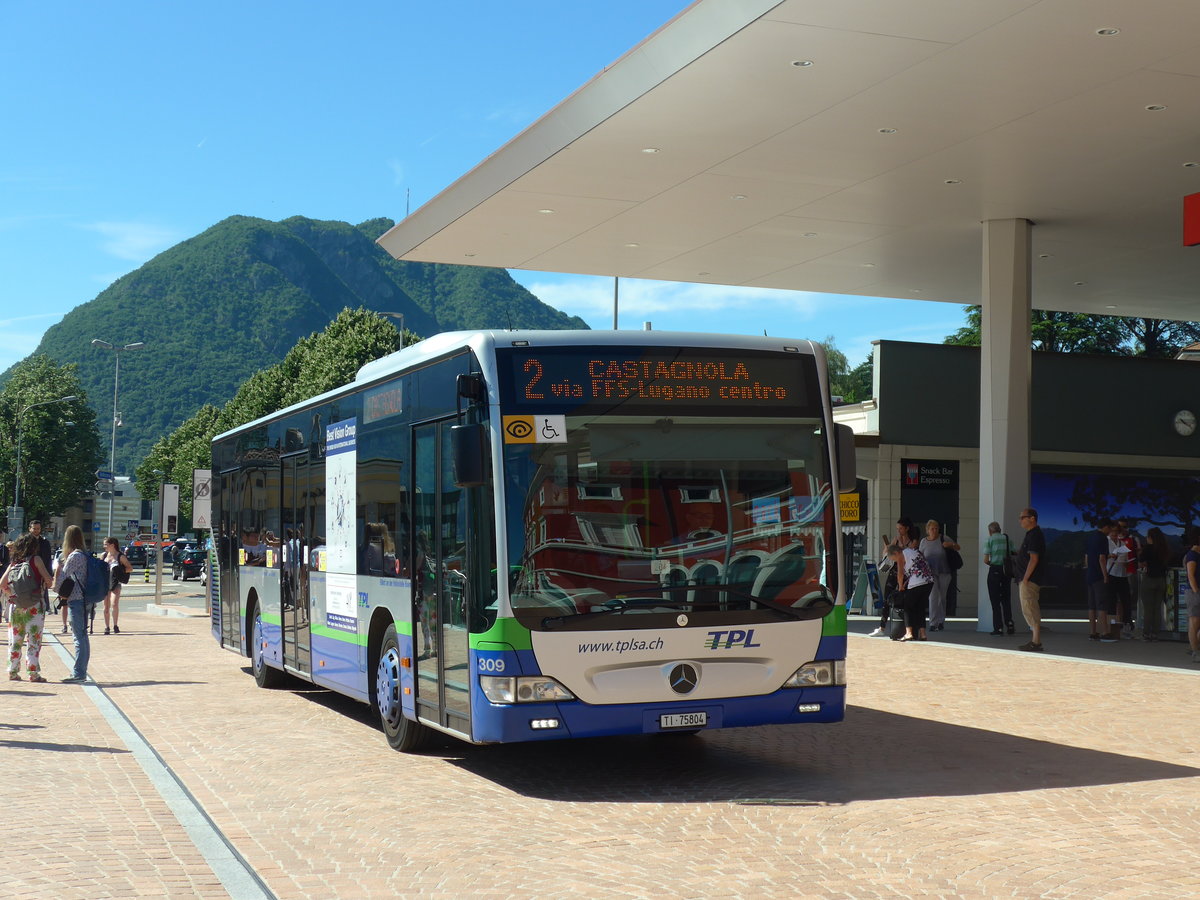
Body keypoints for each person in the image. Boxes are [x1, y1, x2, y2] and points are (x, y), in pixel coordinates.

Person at [1, 533, 54, 682]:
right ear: (33, 546)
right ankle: (33, 673)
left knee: (15, 640)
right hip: (34, 606)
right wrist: (46, 584)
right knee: (34, 640)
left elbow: (2, 584)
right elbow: (48, 580)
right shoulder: (36, 560)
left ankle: (12, 671)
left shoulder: (14, 563)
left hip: (16, 606)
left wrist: (11, 594)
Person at [54, 524, 92, 683]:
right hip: (84, 599)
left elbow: (62, 578)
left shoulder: (74, 556)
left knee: (78, 637)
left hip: (76, 600)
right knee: (82, 636)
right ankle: (81, 671)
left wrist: (57, 572)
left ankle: (79, 673)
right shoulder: (84, 554)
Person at [869, 517, 917, 637]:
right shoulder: (896, 539)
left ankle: (907, 628)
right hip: (894, 572)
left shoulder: (913, 541)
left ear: (907, 528)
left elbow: (908, 554)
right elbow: (887, 553)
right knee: (887, 598)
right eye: (897, 529)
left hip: (906, 573)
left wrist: (900, 544)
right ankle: (882, 627)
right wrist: (889, 546)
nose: (899, 531)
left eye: (901, 528)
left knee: (905, 600)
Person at [886, 540, 934, 642]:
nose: (895, 561)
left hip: (917, 583)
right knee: (920, 607)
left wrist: (900, 587)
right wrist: (906, 583)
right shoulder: (913, 551)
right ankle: (923, 633)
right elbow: (917, 568)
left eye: (893, 559)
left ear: (896, 553)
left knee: (907, 606)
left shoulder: (900, 556)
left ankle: (909, 633)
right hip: (929, 581)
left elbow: (900, 574)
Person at [919, 519, 960, 633]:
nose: (934, 530)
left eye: (936, 528)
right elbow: (920, 556)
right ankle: (933, 622)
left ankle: (941, 620)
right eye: (932, 528)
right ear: (927, 530)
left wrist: (950, 545)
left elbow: (958, 548)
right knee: (933, 597)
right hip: (930, 574)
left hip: (944, 572)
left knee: (942, 597)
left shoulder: (944, 538)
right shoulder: (923, 542)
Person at [1016, 507, 1046, 652]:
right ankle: (1035, 640)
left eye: (1023, 517)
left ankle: (1036, 641)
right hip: (1026, 578)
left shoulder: (1034, 535)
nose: (1020, 520)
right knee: (1028, 608)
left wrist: (1026, 578)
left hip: (1029, 579)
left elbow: (1034, 559)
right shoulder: (1031, 534)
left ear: (1032, 518)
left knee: (1030, 607)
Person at [1084, 519, 1116, 643]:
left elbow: (1087, 557)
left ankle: (1092, 632)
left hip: (1090, 574)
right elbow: (1102, 558)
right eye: (1110, 529)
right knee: (1102, 604)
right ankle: (1105, 632)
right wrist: (1105, 575)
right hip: (1098, 575)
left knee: (1091, 605)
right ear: (1106, 527)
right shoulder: (1103, 539)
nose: (1110, 532)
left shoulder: (1090, 537)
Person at [982, 521, 1015, 635]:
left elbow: (986, 560)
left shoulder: (989, 540)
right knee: (1006, 598)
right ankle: (1010, 624)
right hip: (1006, 571)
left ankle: (998, 628)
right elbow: (1014, 552)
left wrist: (993, 564)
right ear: (999, 529)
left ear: (990, 531)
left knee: (995, 600)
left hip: (995, 570)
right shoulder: (1007, 539)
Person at [29, 520, 59, 634]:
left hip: (41, 575)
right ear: (30, 529)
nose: (36, 531)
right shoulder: (25, 541)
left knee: (41, 600)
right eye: (34, 528)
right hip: (28, 574)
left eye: (38, 528)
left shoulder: (45, 542)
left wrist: (49, 576)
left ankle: (39, 623)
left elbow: (47, 560)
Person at [1138, 527, 1169, 642]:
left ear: (1150, 537)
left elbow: (1141, 561)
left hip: (1149, 579)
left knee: (1148, 609)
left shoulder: (1147, 549)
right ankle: (1155, 633)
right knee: (1157, 608)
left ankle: (1146, 633)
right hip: (1161, 580)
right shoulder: (1164, 549)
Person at [1107, 522, 1133, 641]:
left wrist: (1125, 561)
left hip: (1122, 573)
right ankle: (1111, 628)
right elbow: (1101, 556)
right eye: (1112, 532)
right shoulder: (1106, 542)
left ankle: (1127, 624)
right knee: (1111, 601)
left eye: (1116, 532)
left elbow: (1126, 558)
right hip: (1110, 573)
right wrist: (1110, 556)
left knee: (1126, 600)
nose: (1114, 534)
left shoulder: (1122, 543)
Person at [102, 537, 131, 635]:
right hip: (105, 583)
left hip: (115, 582)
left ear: (112, 545)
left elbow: (130, 568)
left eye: (106, 544)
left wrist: (118, 571)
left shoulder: (120, 556)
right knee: (106, 606)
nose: (104, 546)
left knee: (114, 604)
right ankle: (107, 627)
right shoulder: (104, 555)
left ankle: (115, 625)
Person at [1184, 527, 1200, 664]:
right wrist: (1197, 592)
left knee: (1196, 622)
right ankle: (1195, 651)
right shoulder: (1192, 555)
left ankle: (1195, 647)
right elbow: (1191, 575)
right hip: (1194, 592)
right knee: (1194, 622)